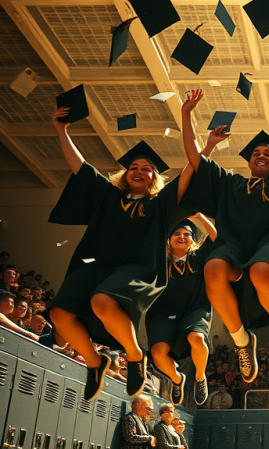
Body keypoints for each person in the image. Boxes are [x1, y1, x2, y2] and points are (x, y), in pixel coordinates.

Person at [48, 107, 193, 401]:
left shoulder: (160, 205)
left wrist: (205, 142)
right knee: (58, 314)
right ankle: (94, 362)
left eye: (146, 168)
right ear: (125, 173)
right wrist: (61, 130)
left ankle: (135, 354)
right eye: (134, 167)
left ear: (154, 178)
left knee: (102, 301)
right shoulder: (108, 195)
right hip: (96, 264)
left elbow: (191, 171)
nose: (139, 170)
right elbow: (80, 166)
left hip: (136, 268)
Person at [181, 90, 269, 386]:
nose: (261, 156)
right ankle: (241, 341)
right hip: (235, 248)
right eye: (256, 154)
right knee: (212, 268)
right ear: (249, 163)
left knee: (261, 271)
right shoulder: (231, 183)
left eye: (268, 154)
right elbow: (194, 158)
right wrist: (187, 115)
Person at [147, 215, 218, 407]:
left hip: (194, 310)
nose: (182, 237)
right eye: (177, 233)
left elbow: (215, 236)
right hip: (162, 314)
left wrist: (198, 217)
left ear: (193, 239)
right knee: (158, 353)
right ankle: (177, 379)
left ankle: (200, 378)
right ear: (169, 239)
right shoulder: (159, 259)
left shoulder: (198, 257)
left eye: (187, 234)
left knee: (197, 338)